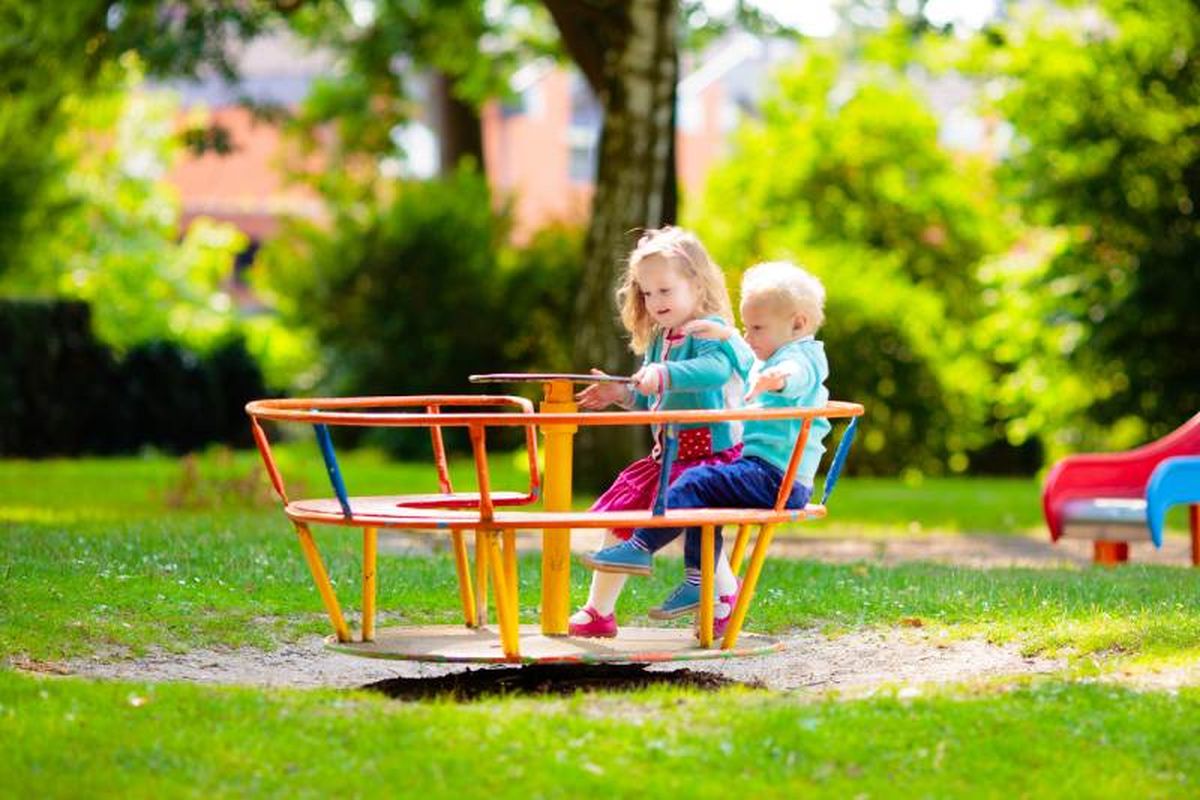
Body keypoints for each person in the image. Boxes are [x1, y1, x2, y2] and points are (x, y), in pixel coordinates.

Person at [581, 261, 831, 638]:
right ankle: (696, 581)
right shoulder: (757, 353)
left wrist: (777, 379)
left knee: (695, 484)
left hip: (778, 478)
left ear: (797, 325)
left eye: (757, 329)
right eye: (747, 328)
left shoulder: (801, 357)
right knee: (698, 496)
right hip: (758, 470)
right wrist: (729, 335)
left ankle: (644, 548)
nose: (750, 337)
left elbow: (796, 375)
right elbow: (746, 361)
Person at [569, 226, 746, 638]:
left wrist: (663, 374)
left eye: (666, 291)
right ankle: (599, 612)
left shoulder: (708, 331)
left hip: (710, 456)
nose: (656, 302)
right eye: (647, 293)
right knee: (622, 517)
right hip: (666, 455)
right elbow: (652, 399)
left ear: (696, 285)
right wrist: (622, 392)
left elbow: (714, 373)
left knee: (694, 520)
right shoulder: (660, 339)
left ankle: (724, 593)